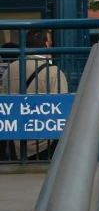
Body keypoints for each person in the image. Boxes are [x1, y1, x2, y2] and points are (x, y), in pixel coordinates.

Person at [5, 30, 68, 161]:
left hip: (15, 141)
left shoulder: (10, 69)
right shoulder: (53, 72)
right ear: (46, 44)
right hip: (44, 142)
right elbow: (62, 110)